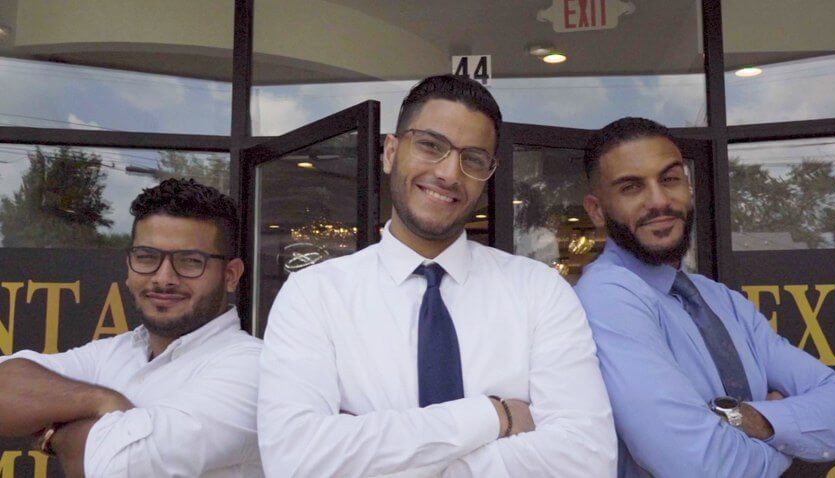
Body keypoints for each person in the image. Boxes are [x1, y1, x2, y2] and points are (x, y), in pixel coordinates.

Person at [257, 75, 617, 477]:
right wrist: (495, 416)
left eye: (474, 159)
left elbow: (587, 460)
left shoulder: (540, 292)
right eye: (431, 145)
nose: (449, 173)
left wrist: (372, 450)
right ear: (391, 152)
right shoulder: (314, 296)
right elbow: (295, 462)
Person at [575, 117, 835, 477]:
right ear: (597, 210)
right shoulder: (606, 298)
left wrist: (753, 420)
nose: (659, 201)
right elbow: (699, 464)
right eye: (631, 188)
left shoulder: (721, 300)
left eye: (670, 179)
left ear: (688, 186)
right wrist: (790, 444)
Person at [0, 178, 263, 477]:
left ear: (230, 275)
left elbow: (118, 467)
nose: (163, 278)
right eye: (147, 257)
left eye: (190, 261)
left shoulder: (253, 367)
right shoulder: (116, 351)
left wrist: (53, 430)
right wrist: (102, 401)